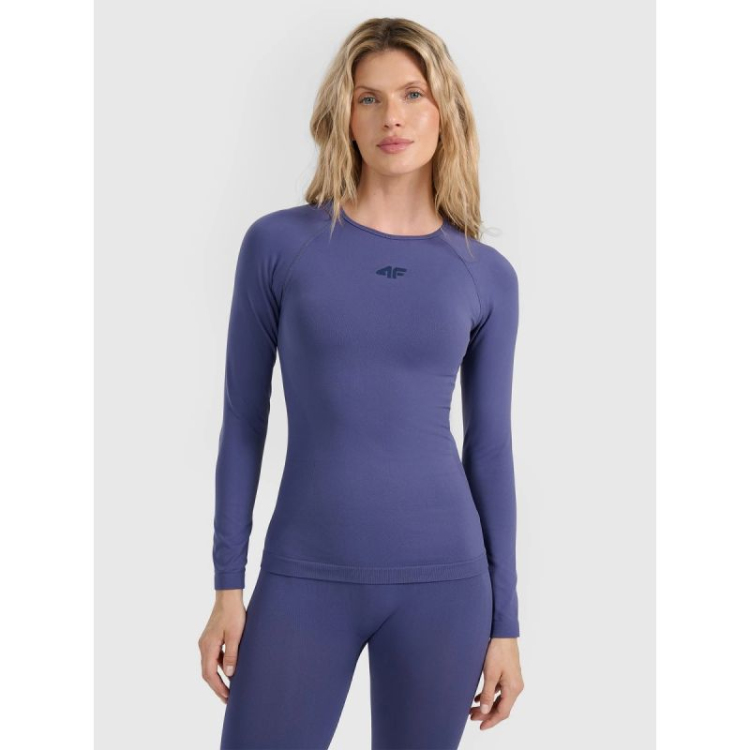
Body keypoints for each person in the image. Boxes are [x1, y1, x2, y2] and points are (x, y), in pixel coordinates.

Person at [198, 16, 525, 750]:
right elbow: (243, 420)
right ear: (343, 115)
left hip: (446, 585)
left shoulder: (486, 276)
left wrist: (505, 624)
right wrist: (227, 586)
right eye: (368, 98)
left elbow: (490, 450)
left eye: (412, 94)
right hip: (304, 576)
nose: (391, 117)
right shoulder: (279, 245)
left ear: (445, 111)